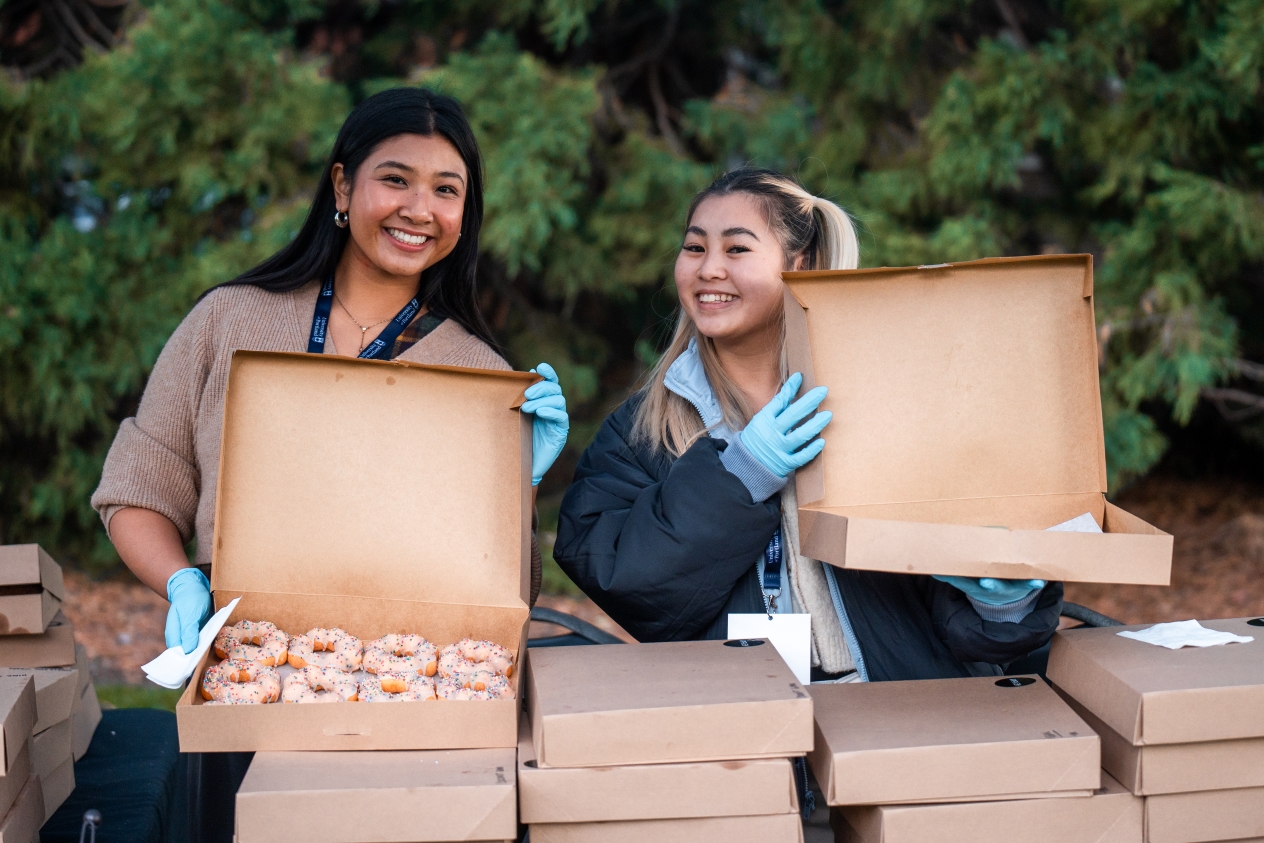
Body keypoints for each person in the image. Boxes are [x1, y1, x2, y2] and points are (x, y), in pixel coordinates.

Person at [90, 87, 569, 843]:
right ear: (343, 187)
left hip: (409, 708)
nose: (420, 209)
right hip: (244, 685)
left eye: (447, 190)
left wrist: (522, 481)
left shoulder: (476, 372)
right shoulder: (229, 319)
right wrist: (181, 580)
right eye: (396, 179)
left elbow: (504, 591)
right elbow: (138, 488)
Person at [553, 167, 1060, 683]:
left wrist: (1000, 601)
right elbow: (627, 587)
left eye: (736, 249)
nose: (708, 269)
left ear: (801, 263)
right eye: (694, 248)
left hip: (902, 708)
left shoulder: (889, 401)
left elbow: (969, 622)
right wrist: (739, 477)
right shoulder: (642, 431)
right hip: (744, 715)